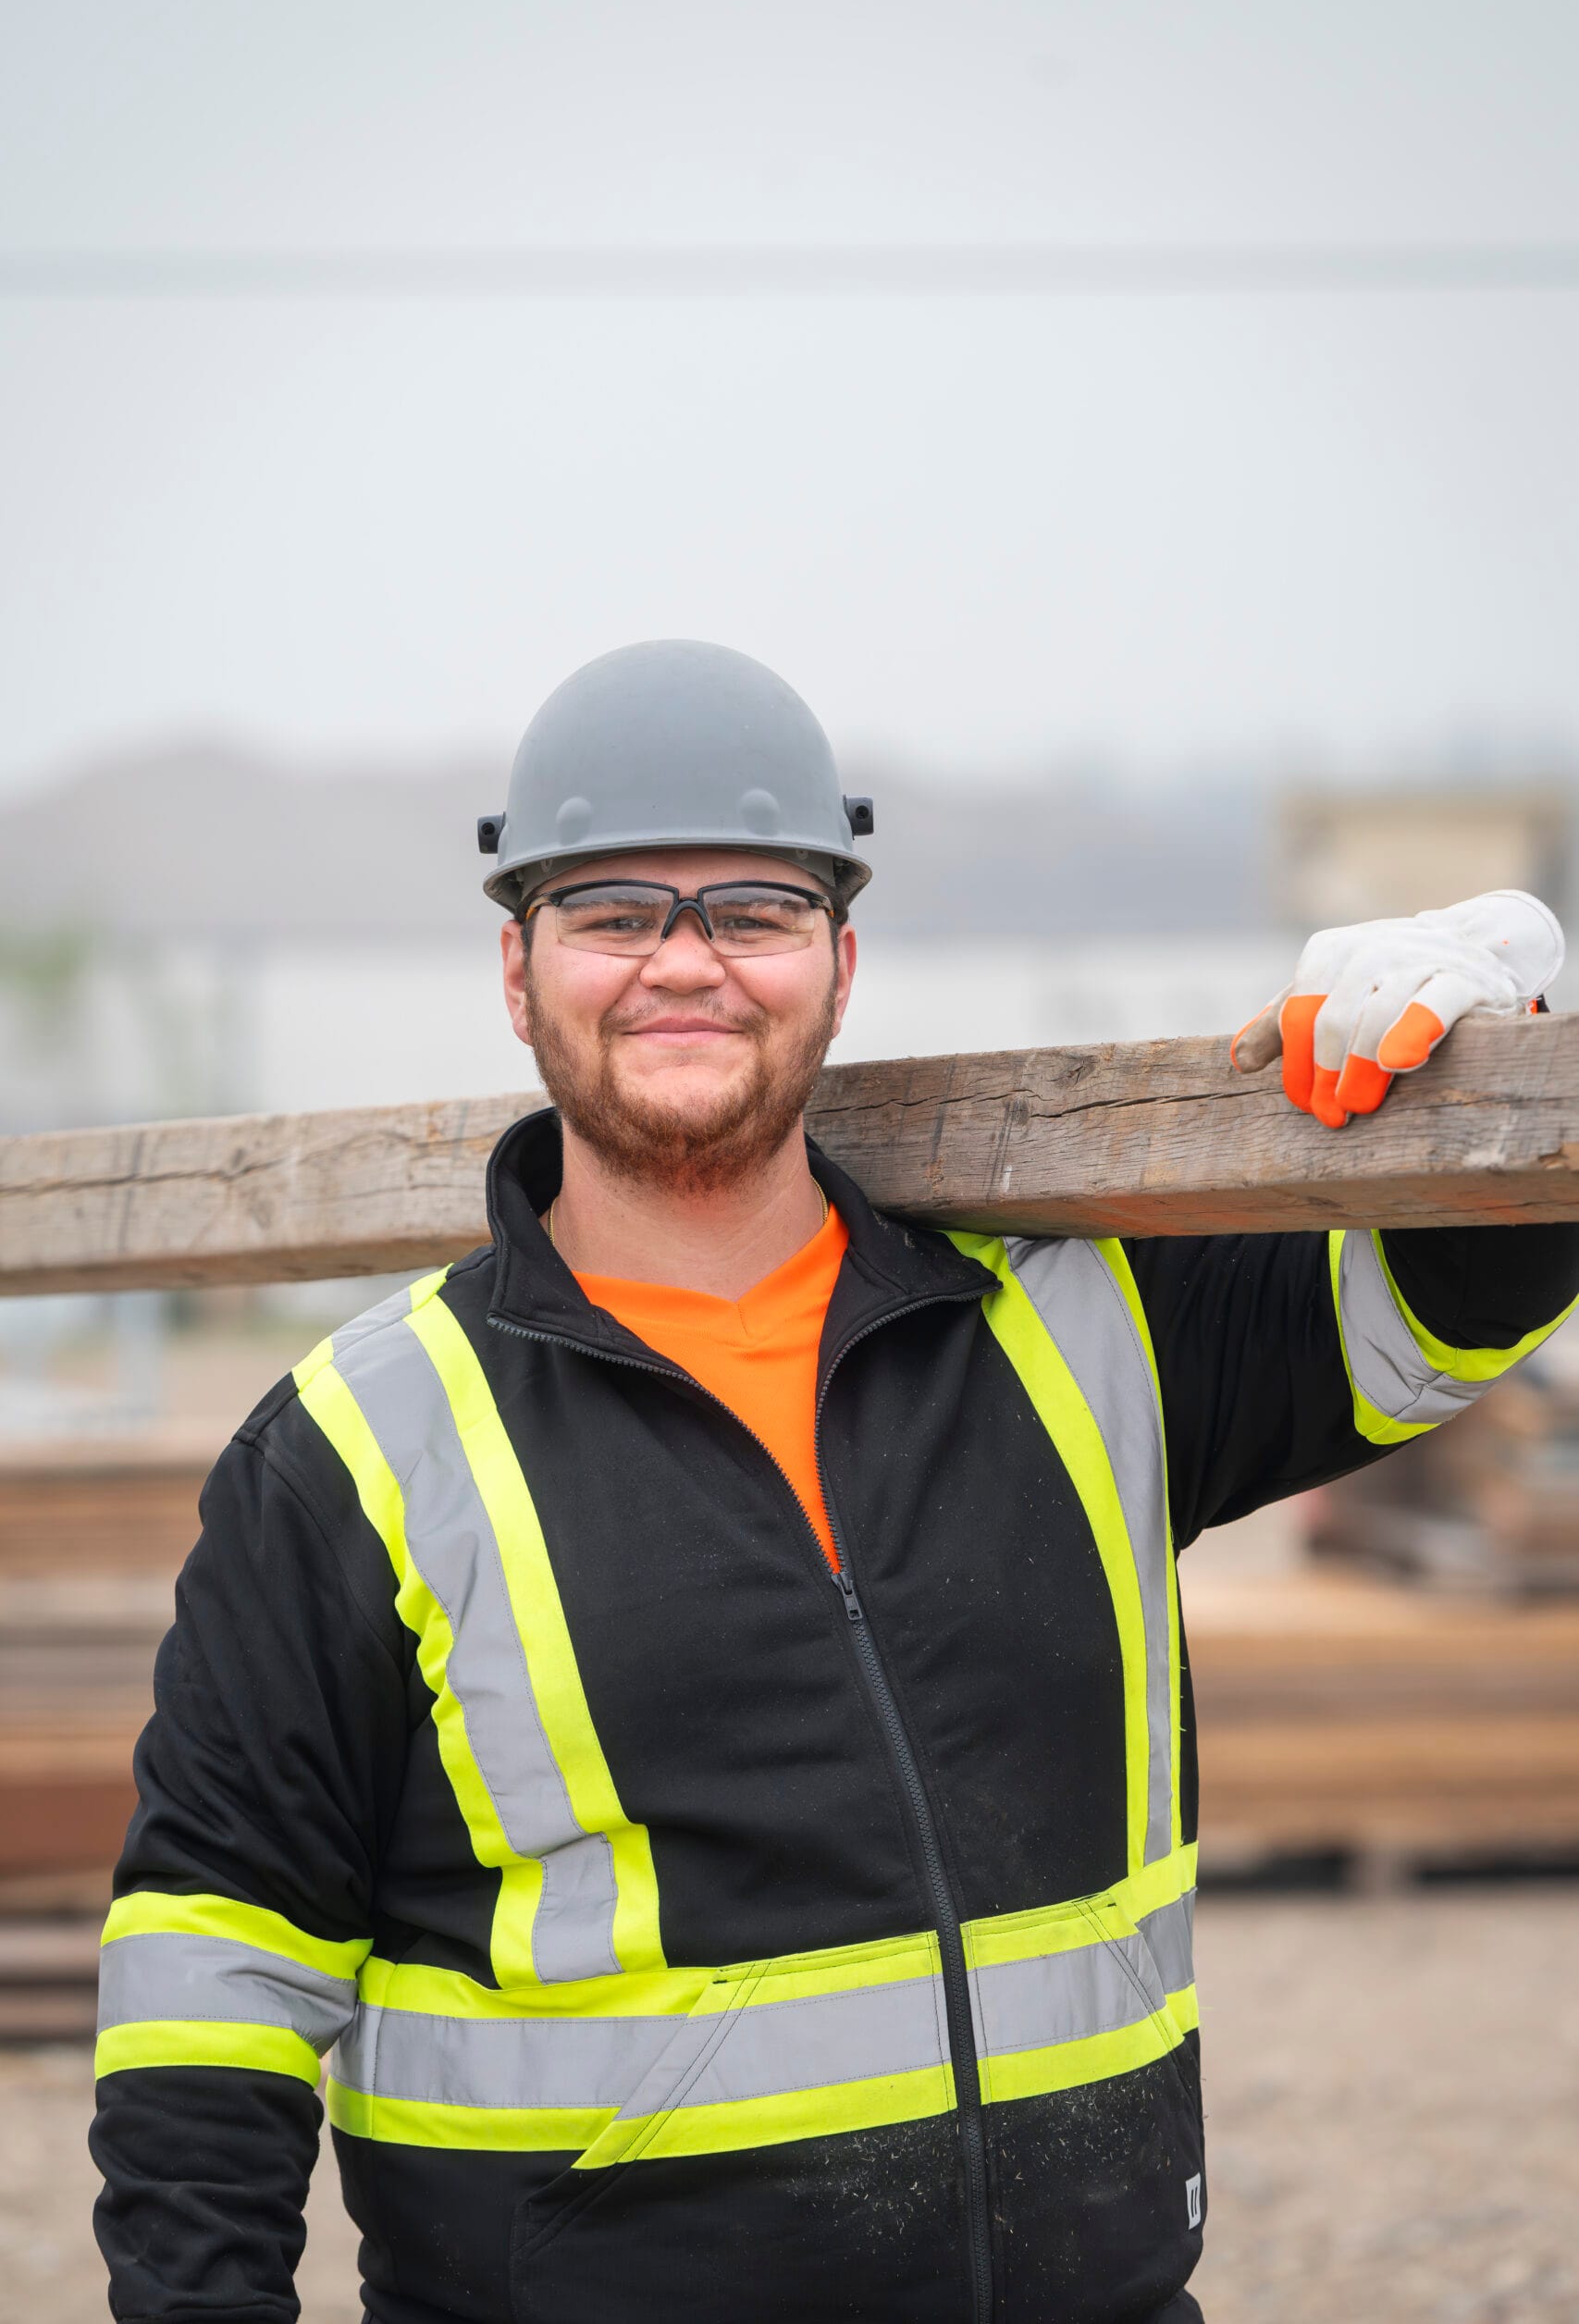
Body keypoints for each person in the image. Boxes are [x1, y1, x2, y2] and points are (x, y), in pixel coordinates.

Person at [91, 640, 1579, 2324]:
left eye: (752, 910)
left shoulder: (1079, 1327)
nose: (686, 965)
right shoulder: (353, 1456)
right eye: (613, 912)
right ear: (518, 969)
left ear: (841, 961)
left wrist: (1500, 1051)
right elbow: (210, 1992)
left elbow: (1456, 1304)